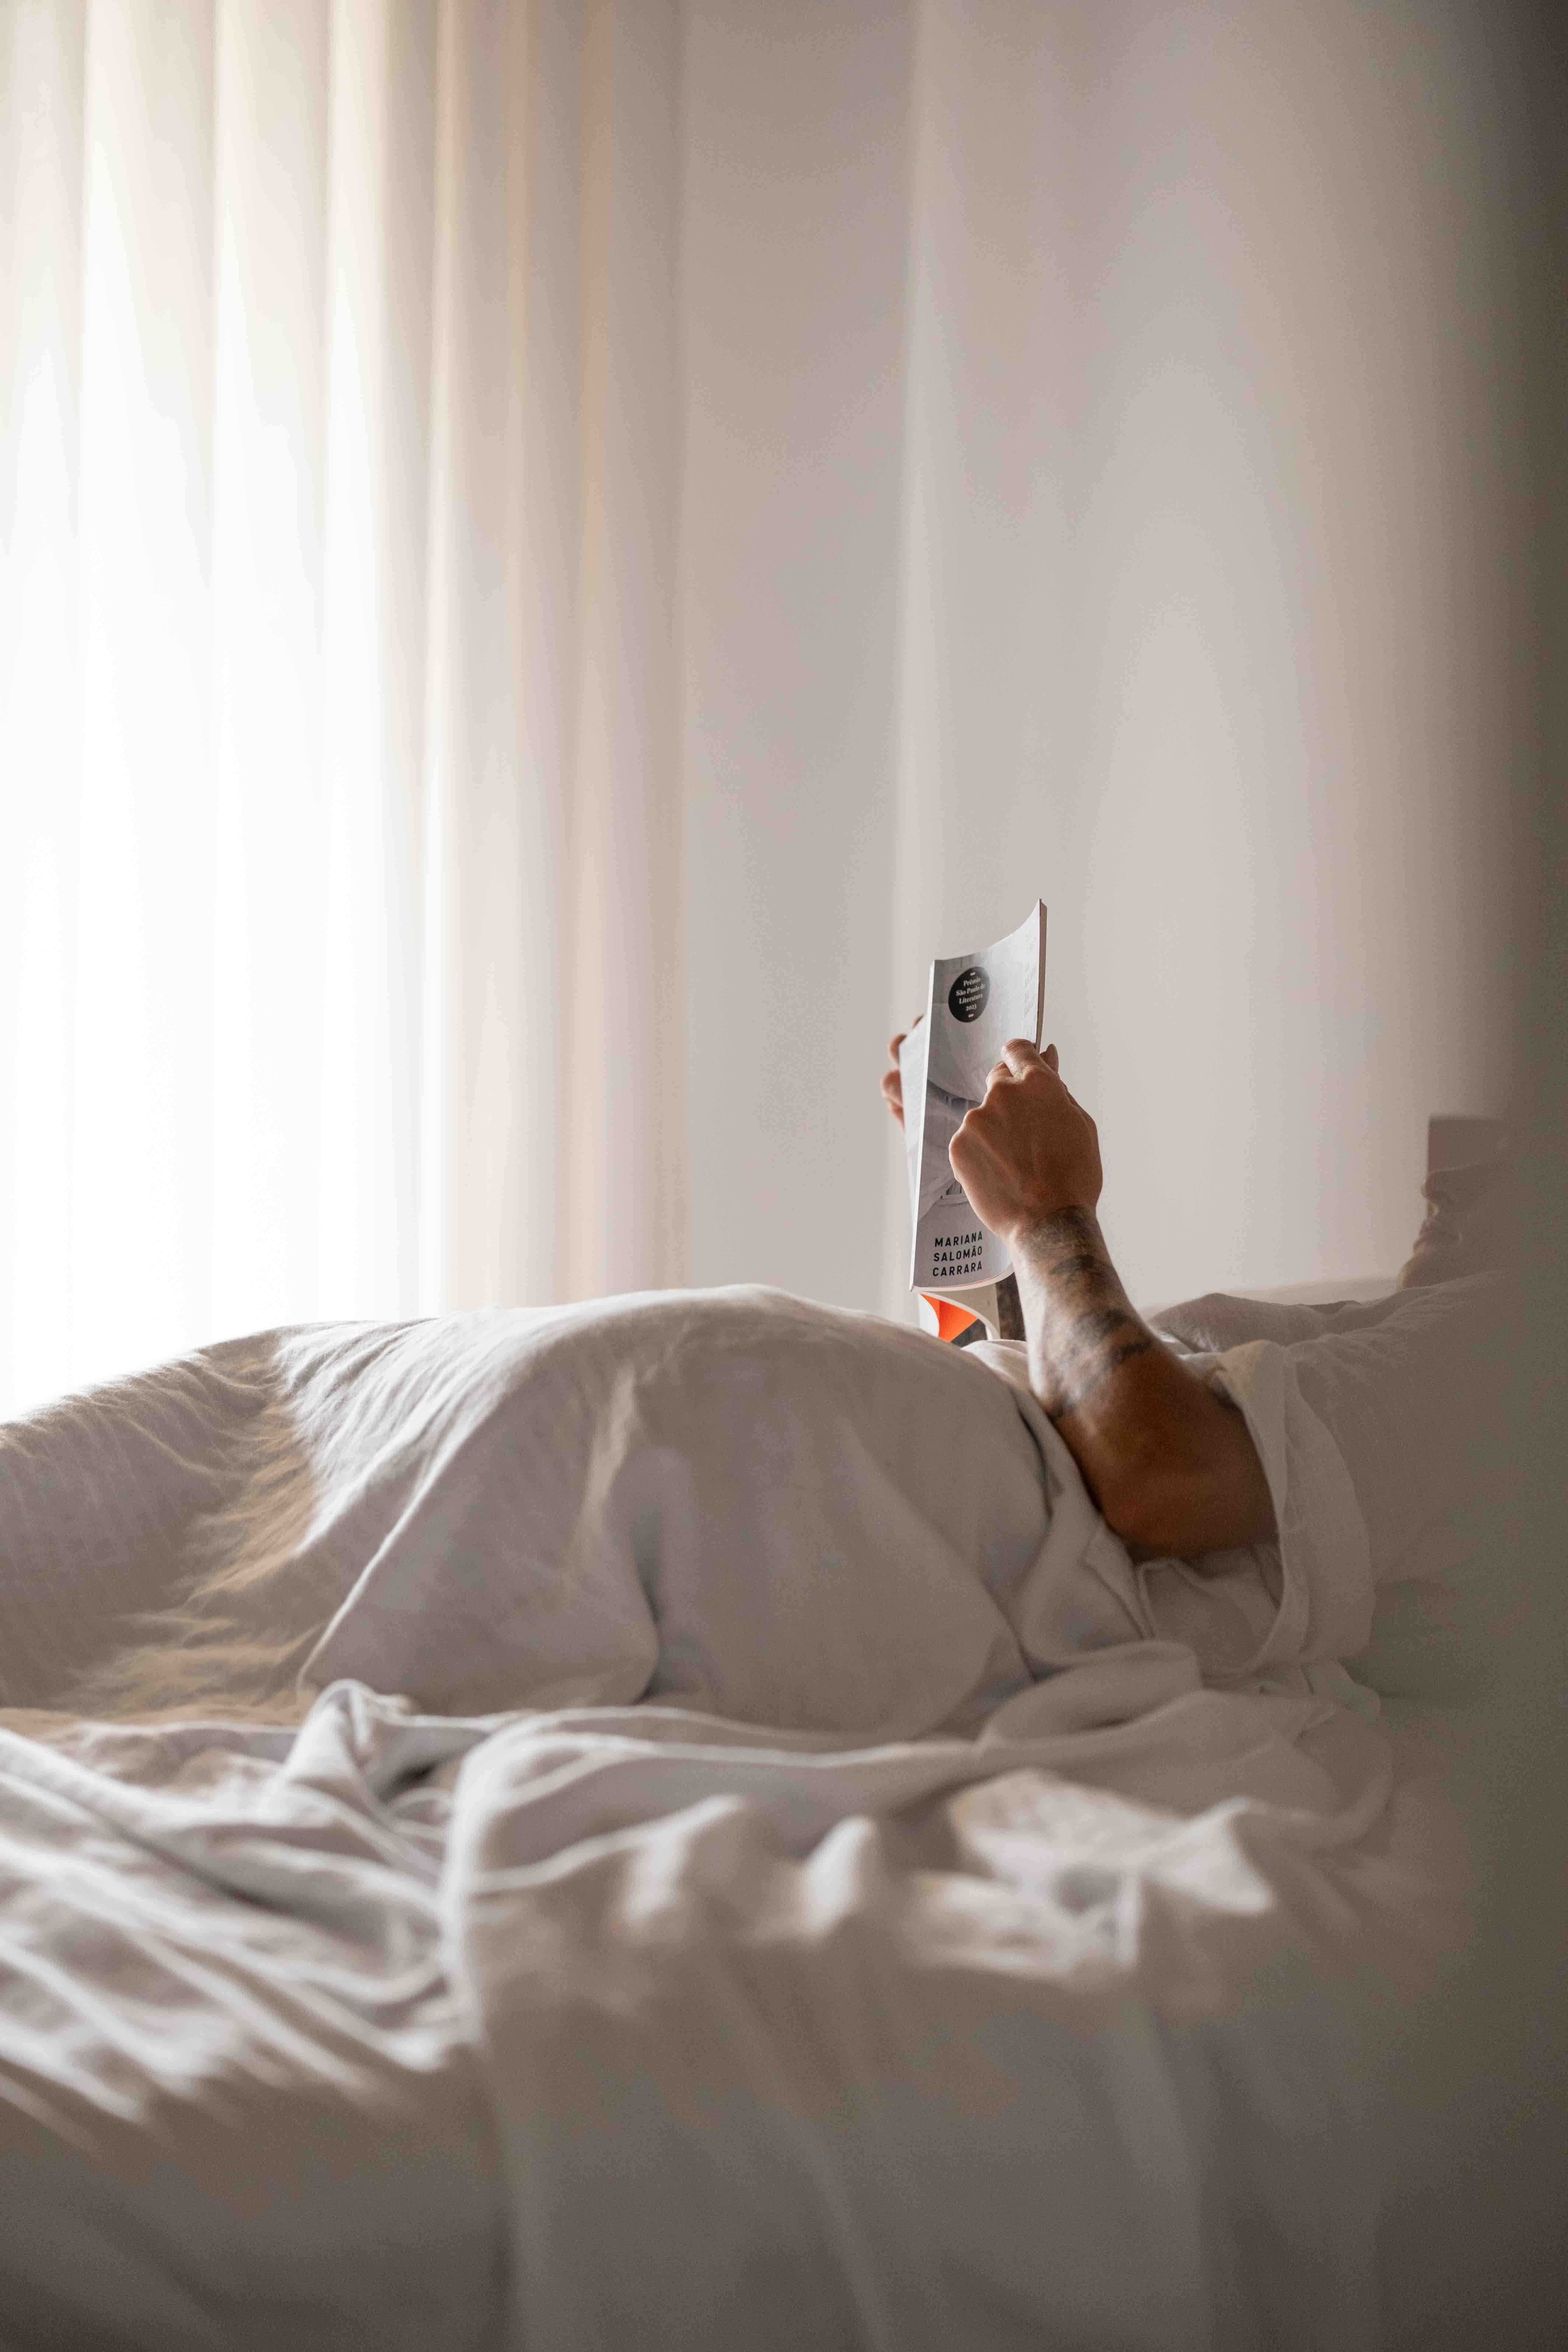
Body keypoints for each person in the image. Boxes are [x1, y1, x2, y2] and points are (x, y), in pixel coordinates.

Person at [882, 1027, 1514, 1574]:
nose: (1438, 1183)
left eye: (1508, 1162)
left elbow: (1160, 1478)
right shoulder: (1406, 1340)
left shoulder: (1511, 1338)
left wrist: (1045, 1212)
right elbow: (1068, 1400)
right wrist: (968, 1203)